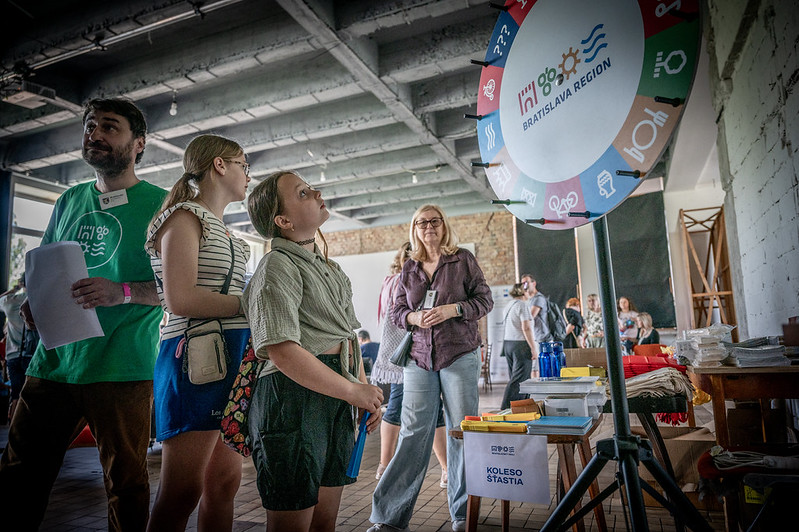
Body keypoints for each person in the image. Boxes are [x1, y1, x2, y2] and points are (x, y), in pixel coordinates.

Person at [0, 98, 167, 531]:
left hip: (121, 365)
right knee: (18, 473)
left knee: (125, 485)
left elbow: (179, 290)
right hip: (53, 362)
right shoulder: (70, 199)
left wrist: (122, 291)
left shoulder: (163, 206)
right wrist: (36, 299)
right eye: (90, 125)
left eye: (110, 127)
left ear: (139, 144)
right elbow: (47, 264)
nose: (95, 134)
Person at [243, 170, 383, 532]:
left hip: (333, 393)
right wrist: (352, 390)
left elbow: (346, 336)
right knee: (292, 521)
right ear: (284, 221)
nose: (317, 192)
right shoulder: (277, 265)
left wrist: (362, 391)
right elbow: (282, 351)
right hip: (291, 399)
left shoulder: (330, 268)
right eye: (303, 193)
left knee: (324, 521)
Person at [144, 134, 251, 531]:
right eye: (244, 166)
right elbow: (181, 298)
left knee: (223, 483)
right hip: (193, 357)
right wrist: (251, 305)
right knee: (182, 491)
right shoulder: (184, 217)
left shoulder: (227, 231)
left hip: (233, 353)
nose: (248, 176)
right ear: (220, 165)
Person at [369, 204, 493, 532]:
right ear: (415, 229)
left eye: (434, 221)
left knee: (461, 431)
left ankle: (463, 515)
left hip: (459, 353)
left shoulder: (462, 259)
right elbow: (397, 311)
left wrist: (454, 309)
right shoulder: (409, 267)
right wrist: (414, 317)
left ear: (443, 225)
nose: (429, 227)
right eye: (422, 223)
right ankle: (389, 518)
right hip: (419, 358)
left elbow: (485, 300)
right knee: (412, 432)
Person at [370, 242, 448, 488]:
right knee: (430, 408)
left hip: (399, 352)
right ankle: (446, 468)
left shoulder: (389, 281)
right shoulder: (407, 280)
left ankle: (384, 466)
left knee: (397, 405)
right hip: (413, 352)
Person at [0, 275, 32, 422]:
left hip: (12, 355)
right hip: (31, 353)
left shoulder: (9, 301)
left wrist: (14, 289)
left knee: (15, 395)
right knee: (29, 395)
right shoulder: (35, 299)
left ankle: (14, 429)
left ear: (22, 283)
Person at [500, 283, 535, 410]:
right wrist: (533, 348)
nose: (529, 293)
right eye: (528, 291)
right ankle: (505, 408)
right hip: (520, 344)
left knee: (517, 378)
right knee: (520, 379)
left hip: (508, 344)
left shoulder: (509, 305)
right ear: (523, 292)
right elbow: (526, 327)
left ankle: (521, 407)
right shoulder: (522, 305)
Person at [520, 274, 550, 354]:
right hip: (536, 337)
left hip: (543, 338)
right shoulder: (529, 300)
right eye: (523, 284)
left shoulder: (539, 298)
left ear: (534, 283)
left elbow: (530, 317)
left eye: (526, 282)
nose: (525, 286)